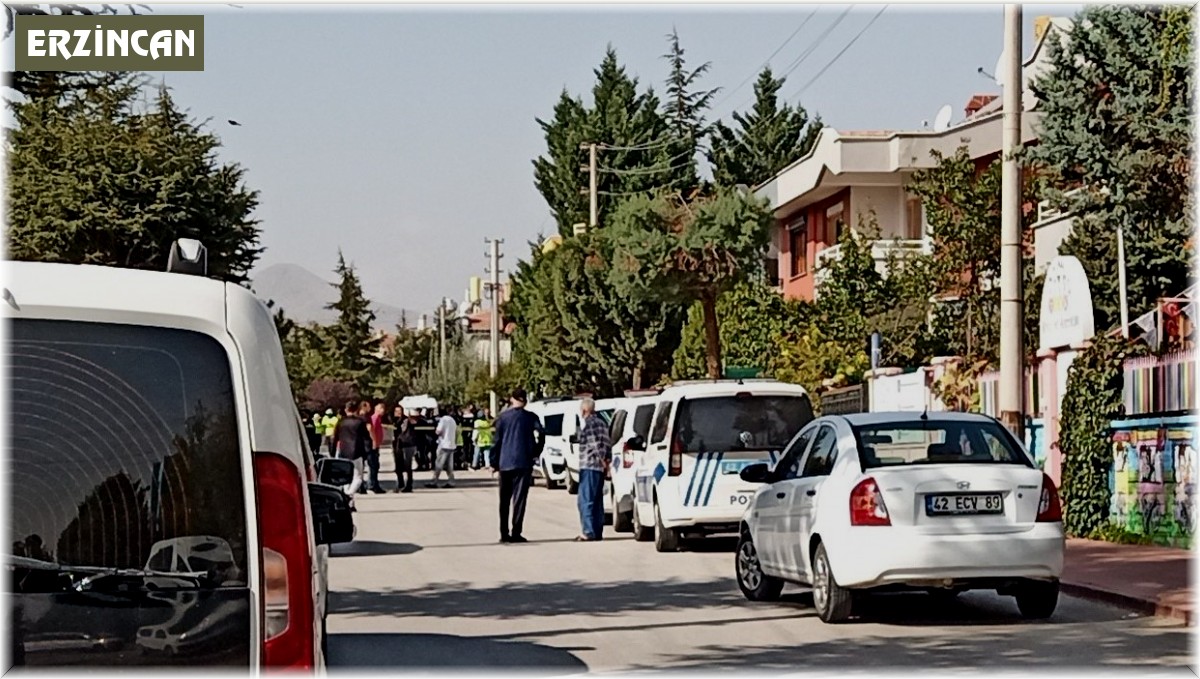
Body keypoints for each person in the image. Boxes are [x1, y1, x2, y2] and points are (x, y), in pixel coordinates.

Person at [491, 388, 544, 544]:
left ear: (511, 399)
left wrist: (494, 462)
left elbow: (496, 441)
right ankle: (516, 532)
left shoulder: (503, 418)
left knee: (504, 500)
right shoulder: (531, 417)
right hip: (523, 462)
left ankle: (504, 533)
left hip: (505, 462)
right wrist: (535, 451)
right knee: (519, 499)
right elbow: (542, 434)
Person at [574, 398, 612, 541]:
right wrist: (606, 461)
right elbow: (607, 443)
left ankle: (588, 531)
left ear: (584, 410)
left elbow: (594, 444)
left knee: (586, 500)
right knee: (597, 501)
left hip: (590, 465)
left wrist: (602, 460)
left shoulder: (590, 424)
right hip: (598, 468)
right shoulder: (602, 423)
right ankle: (597, 531)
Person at [333, 400, 371, 498]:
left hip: (343, 451)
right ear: (357, 409)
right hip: (357, 452)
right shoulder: (360, 422)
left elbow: (335, 438)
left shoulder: (341, 422)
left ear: (346, 410)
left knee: (346, 477)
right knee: (358, 477)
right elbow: (366, 438)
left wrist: (333, 451)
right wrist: (368, 451)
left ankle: (347, 494)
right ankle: (349, 494)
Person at [428, 407, 457, 488]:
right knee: (449, 465)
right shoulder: (453, 420)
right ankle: (451, 481)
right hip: (451, 445)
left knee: (439, 464)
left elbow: (438, 431)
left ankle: (434, 481)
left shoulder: (443, 420)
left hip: (443, 444)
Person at [392, 405, 418, 493]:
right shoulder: (393, 420)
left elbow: (414, 423)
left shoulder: (406, 419)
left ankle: (409, 485)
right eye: (396, 411)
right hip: (398, 444)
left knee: (408, 466)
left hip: (407, 444)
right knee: (398, 466)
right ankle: (400, 484)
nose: (397, 413)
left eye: (399, 411)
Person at [364, 402, 386, 493]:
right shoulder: (375, 418)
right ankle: (372, 485)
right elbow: (371, 430)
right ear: (376, 409)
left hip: (376, 445)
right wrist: (374, 441)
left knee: (375, 466)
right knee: (373, 465)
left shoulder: (378, 418)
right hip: (373, 446)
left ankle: (374, 484)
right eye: (381, 408)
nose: (383, 410)